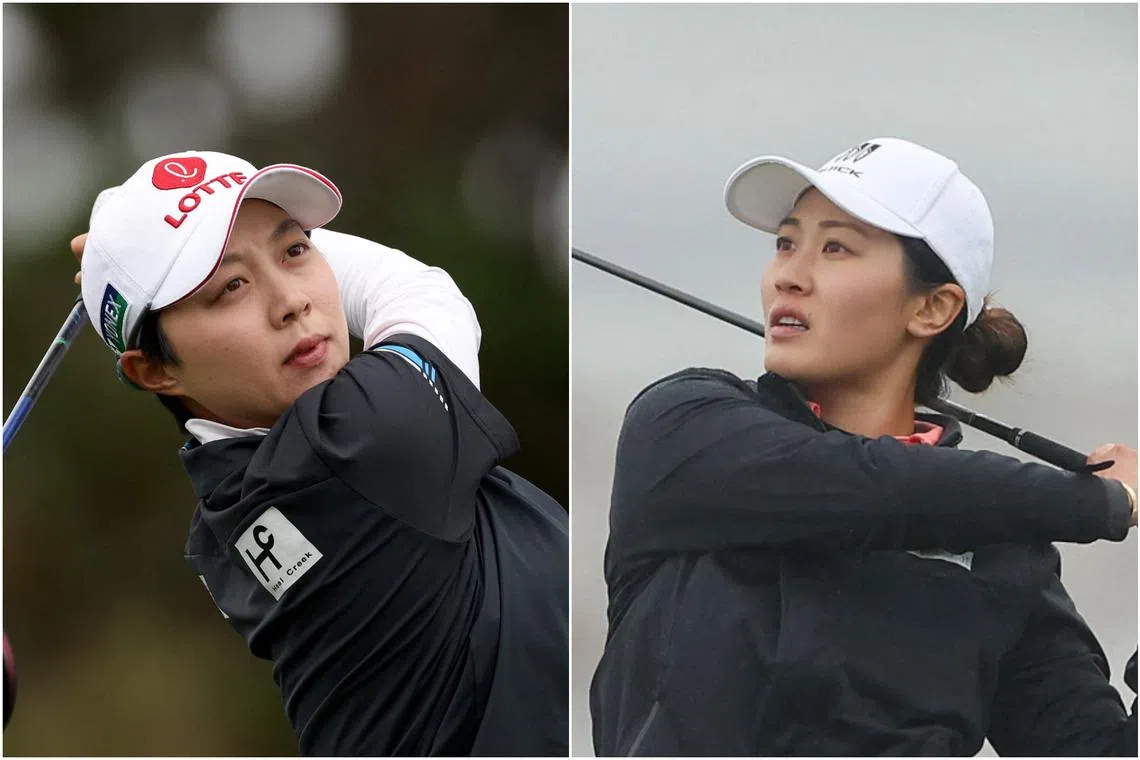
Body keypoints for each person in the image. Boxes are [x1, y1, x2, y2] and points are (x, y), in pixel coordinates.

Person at [589, 137, 1137, 756]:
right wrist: (1104, 502)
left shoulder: (1001, 550)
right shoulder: (684, 428)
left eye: (835, 249)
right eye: (786, 243)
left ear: (932, 307)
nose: (788, 277)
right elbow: (874, 484)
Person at [73, 151, 568, 756]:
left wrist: (136, 265)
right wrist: (134, 261)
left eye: (296, 251)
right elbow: (421, 291)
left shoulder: (227, 507)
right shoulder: (362, 445)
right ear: (152, 370)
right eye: (231, 287)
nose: (291, 302)